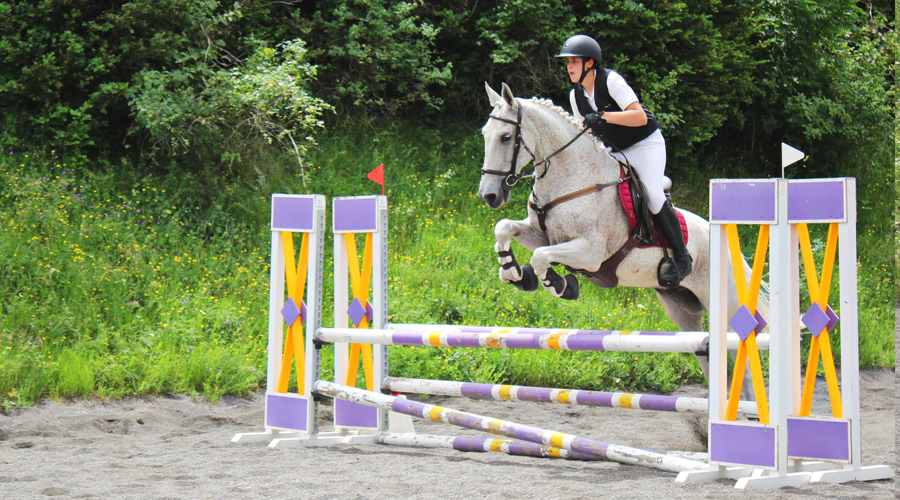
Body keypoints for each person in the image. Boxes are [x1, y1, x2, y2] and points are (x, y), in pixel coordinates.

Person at [556, 34, 691, 287]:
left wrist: (604, 116)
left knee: (651, 194)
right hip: (615, 150)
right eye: (567, 62)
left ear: (589, 64)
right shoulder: (576, 96)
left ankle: (682, 258)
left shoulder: (611, 80)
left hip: (646, 144)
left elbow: (639, 117)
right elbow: (585, 136)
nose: (569, 67)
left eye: (574, 61)